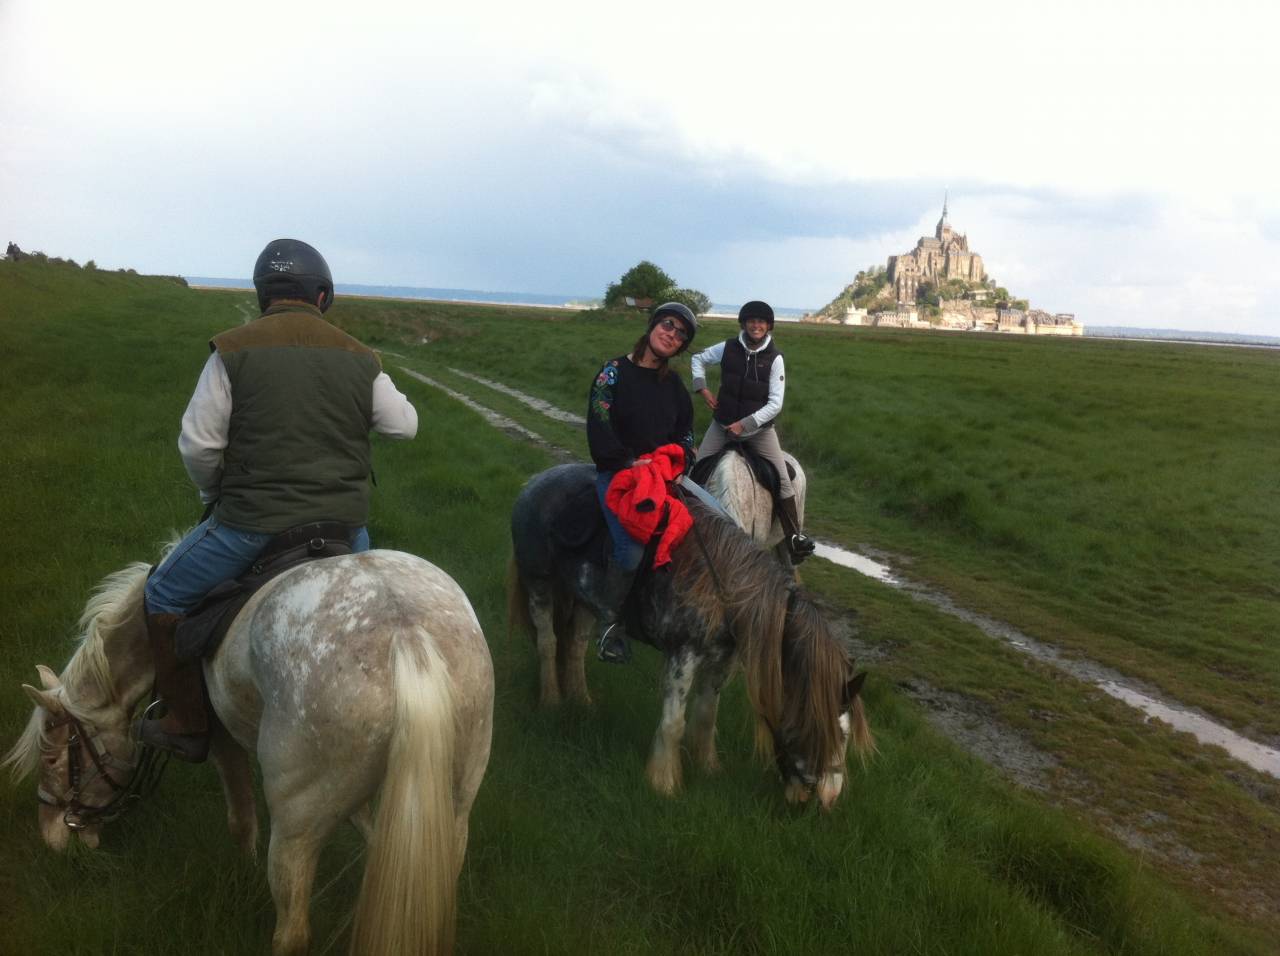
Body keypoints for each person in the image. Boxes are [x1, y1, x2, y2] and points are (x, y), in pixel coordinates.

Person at [136, 238, 418, 761]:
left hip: (251, 525)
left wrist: (212, 494)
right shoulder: (360, 356)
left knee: (161, 595)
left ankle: (187, 722)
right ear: (323, 296)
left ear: (263, 294)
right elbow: (404, 426)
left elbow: (199, 445)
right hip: (345, 528)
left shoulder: (231, 351)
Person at [586, 302, 697, 663]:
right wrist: (629, 461)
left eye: (681, 334)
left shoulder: (674, 386)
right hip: (619, 474)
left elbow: (686, 433)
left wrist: (678, 458)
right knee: (631, 548)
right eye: (668, 325)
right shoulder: (612, 373)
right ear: (652, 326)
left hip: (661, 479)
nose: (672, 335)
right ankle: (608, 626)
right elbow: (599, 425)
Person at [690, 299, 814, 561]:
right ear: (744, 323)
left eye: (761, 322)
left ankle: (794, 538)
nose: (756, 325)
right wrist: (702, 388)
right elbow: (698, 358)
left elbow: (775, 404)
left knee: (783, 480)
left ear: (768, 326)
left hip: (759, 432)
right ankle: (688, 523)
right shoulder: (727, 347)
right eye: (751, 321)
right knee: (696, 470)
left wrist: (745, 424)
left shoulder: (775, 359)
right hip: (722, 425)